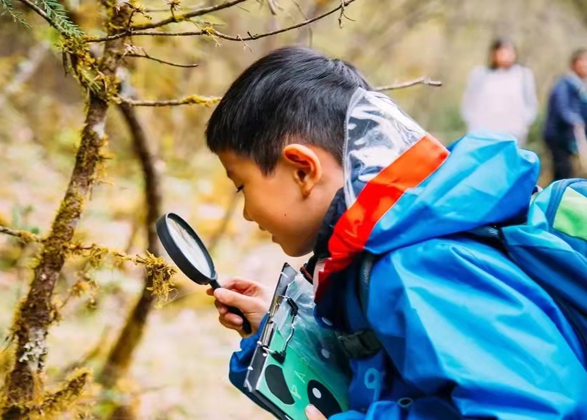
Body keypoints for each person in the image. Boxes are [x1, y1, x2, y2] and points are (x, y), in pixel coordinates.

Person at [204, 47, 587, 419]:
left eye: (242, 186)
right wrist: (290, 333)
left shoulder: (416, 264)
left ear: (303, 170)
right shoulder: (380, 250)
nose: (248, 213)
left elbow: (532, 410)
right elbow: (401, 376)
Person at [461, 38, 538, 145]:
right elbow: (469, 102)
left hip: (512, 134)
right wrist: (474, 125)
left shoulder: (523, 75)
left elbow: (530, 104)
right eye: (501, 52)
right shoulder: (480, 75)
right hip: (483, 134)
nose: (505, 55)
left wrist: (522, 126)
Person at [544, 48, 587, 180]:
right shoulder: (564, 84)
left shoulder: (582, 86)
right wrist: (575, 121)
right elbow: (562, 108)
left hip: (575, 137)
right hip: (560, 137)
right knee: (563, 173)